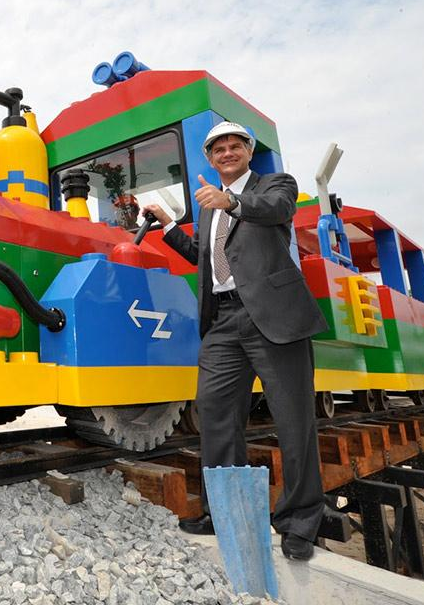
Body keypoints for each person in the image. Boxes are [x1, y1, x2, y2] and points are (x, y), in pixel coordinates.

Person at [143, 121, 327, 562]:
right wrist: (169, 227)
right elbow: (205, 259)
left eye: (234, 146)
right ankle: (223, 513)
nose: (227, 153)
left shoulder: (275, 185)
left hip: (273, 317)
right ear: (210, 159)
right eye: (218, 148)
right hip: (223, 322)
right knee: (216, 417)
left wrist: (232, 202)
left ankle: (300, 523)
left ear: (247, 151)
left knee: (294, 421)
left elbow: (275, 209)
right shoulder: (210, 205)